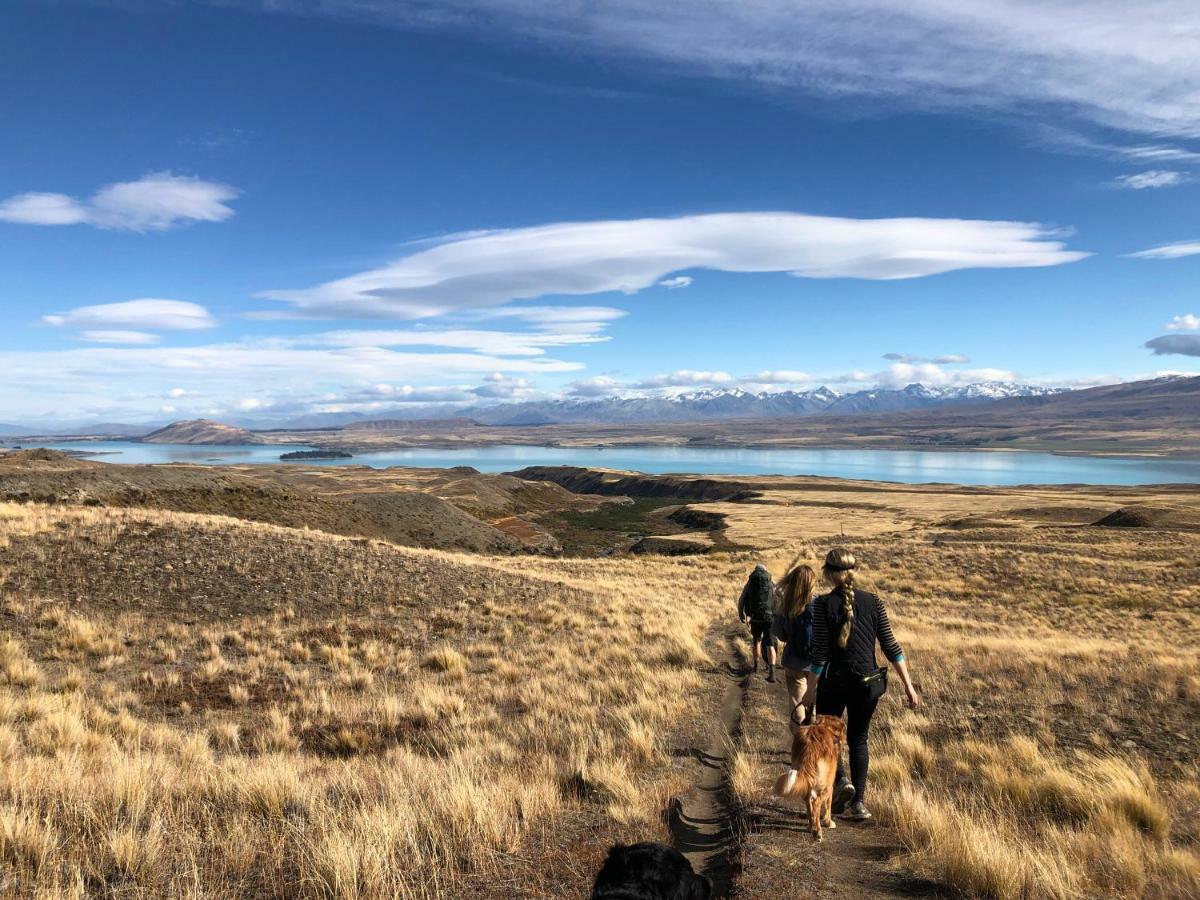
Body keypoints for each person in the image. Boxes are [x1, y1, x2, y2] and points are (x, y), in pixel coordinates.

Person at [803, 548, 919, 822]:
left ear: (828, 574)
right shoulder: (874, 602)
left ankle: (842, 781)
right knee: (859, 739)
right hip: (868, 683)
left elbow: (819, 654)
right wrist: (908, 686)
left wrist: (809, 690)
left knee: (831, 739)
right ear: (854, 571)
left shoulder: (821, 605)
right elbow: (891, 647)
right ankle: (859, 804)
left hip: (833, 683)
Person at [772, 564, 818, 730]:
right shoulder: (821, 604)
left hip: (794, 663)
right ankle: (813, 745)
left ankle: (799, 744)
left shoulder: (787, 605)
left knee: (797, 705)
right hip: (818, 665)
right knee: (814, 705)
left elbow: (779, 633)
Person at [737, 563, 777, 683]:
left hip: (755, 618)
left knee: (756, 641)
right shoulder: (770, 582)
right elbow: (779, 597)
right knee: (770, 644)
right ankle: (772, 672)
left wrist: (741, 614)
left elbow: (742, 599)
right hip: (769, 617)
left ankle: (756, 667)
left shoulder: (750, 583)